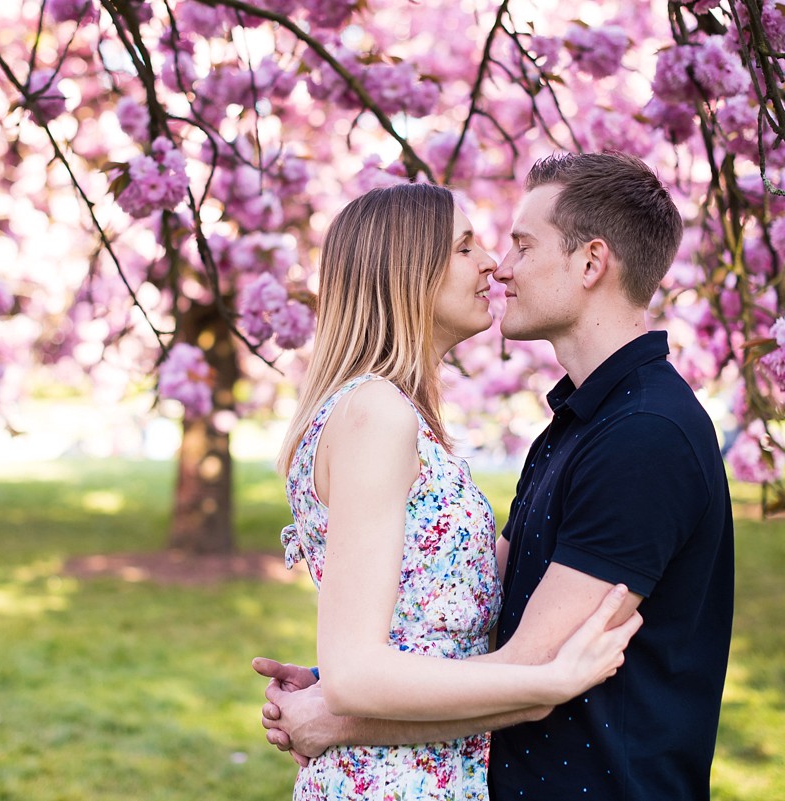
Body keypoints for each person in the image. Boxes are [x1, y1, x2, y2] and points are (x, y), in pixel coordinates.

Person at [255, 152, 735, 801]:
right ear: (407, 273)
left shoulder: (642, 432)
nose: (497, 266)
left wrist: (334, 713)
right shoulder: (563, 424)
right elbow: (479, 644)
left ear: (591, 263)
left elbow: (530, 662)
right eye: (468, 246)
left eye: (518, 244)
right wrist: (336, 684)